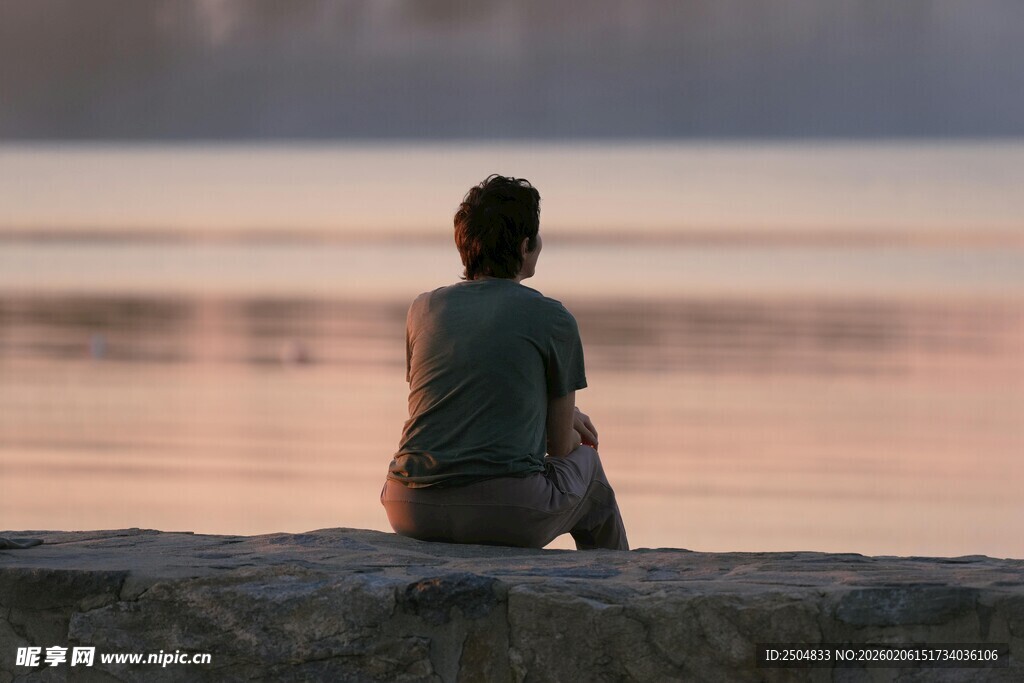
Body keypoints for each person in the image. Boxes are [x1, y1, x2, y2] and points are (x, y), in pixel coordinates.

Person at [380, 174, 628, 551]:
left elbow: (455, 403)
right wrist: (567, 423)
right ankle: (617, 597)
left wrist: (550, 412)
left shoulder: (423, 309)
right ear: (526, 245)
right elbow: (561, 448)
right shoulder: (552, 318)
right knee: (589, 472)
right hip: (502, 511)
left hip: (409, 506)